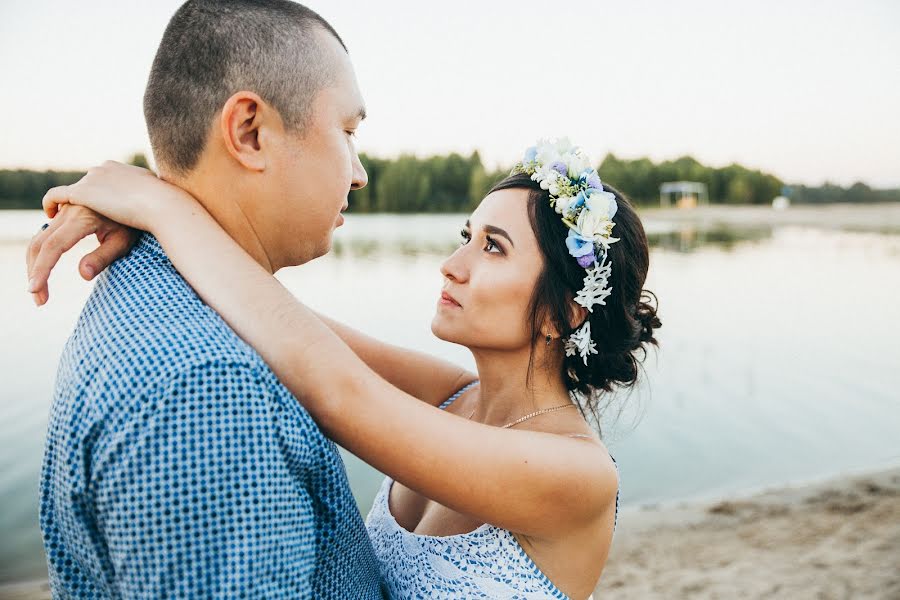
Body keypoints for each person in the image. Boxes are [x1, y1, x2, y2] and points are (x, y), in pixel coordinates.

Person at [28, 138, 661, 598]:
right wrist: (150, 207)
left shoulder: (579, 475)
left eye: (492, 248)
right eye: (466, 235)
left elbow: (334, 389)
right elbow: (277, 315)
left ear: (562, 314)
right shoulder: (452, 396)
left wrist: (155, 205)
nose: (452, 263)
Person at [25, 1, 385, 597]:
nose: (359, 172)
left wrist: (162, 207)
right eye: (348, 132)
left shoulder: (150, 288)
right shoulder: (207, 387)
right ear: (249, 131)